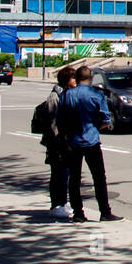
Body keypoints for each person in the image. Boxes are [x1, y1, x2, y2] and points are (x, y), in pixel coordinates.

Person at [58, 66, 121, 223]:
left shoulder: (66, 95)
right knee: (99, 177)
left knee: (74, 179)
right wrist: (95, 127)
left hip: (73, 141)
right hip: (91, 140)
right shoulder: (96, 94)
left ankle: (78, 213)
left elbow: (59, 120)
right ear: (90, 78)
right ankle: (105, 212)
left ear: (77, 78)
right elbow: (106, 120)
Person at [42, 66, 76, 219]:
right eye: (73, 78)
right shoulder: (55, 97)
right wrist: (60, 140)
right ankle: (56, 204)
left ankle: (63, 201)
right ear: (66, 80)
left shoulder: (65, 94)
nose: (75, 81)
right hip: (57, 143)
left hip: (65, 141)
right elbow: (53, 123)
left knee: (65, 174)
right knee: (57, 173)